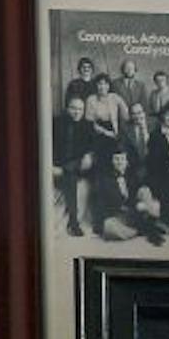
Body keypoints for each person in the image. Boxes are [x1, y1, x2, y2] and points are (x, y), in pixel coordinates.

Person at [52, 94, 99, 236]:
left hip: (80, 165)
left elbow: (95, 146)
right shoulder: (56, 123)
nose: (77, 112)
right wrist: (51, 165)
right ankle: (73, 223)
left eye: (80, 109)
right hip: (61, 165)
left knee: (98, 176)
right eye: (73, 108)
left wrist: (90, 154)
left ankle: (99, 222)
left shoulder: (88, 125)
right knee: (70, 178)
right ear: (67, 108)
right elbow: (48, 145)